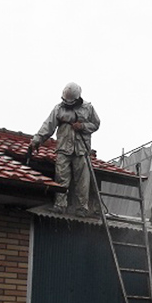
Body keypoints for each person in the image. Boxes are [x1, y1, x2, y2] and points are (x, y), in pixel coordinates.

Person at [27, 82, 100, 216]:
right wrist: (36, 141)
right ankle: (60, 205)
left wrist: (83, 126)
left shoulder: (88, 108)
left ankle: (82, 208)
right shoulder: (58, 109)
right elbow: (48, 126)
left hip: (81, 149)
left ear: (78, 98)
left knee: (82, 181)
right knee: (61, 177)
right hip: (63, 148)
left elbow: (96, 124)